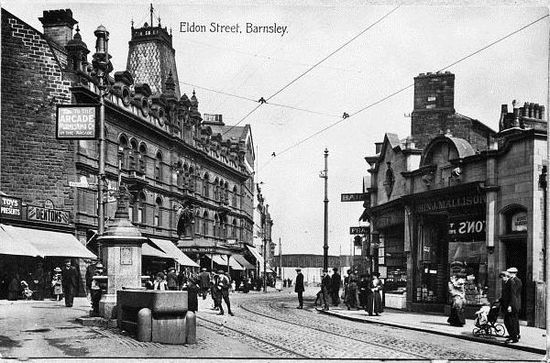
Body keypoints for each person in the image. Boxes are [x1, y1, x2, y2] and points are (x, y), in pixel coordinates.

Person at [501, 267, 522, 343]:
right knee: (512, 320)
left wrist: (510, 305)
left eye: (509, 273)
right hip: (511, 303)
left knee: (513, 320)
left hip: (514, 303)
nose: (508, 274)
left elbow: (514, 294)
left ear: (513, 273)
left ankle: (515, 335)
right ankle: (513, 335)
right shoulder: (509, 281)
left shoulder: (515, 281)